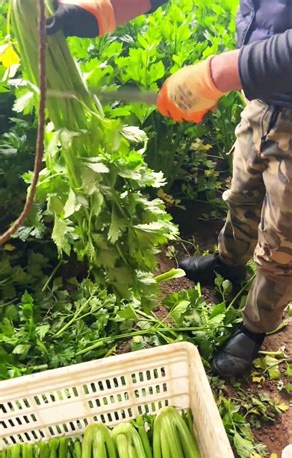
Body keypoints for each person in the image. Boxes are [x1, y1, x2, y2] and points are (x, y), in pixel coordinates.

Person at [47, 1, 292, 379]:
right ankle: (229, 264)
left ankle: (255, 327)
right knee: (242, 196)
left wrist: (221, 72)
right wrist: (109, 10)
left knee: (282, 239)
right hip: (260, 100)